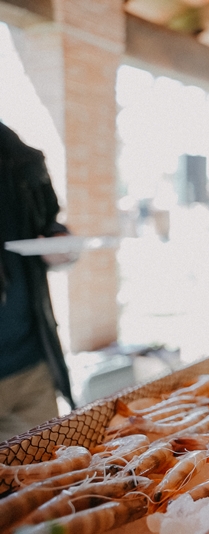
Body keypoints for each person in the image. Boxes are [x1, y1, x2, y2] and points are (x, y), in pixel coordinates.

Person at [0, 122, 75, 441]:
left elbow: (49, 225)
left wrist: (61, 244)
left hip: (31, 367)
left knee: (43, 485)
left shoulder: (14, 151)